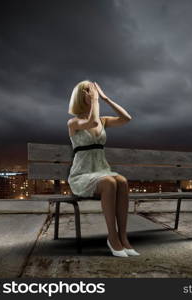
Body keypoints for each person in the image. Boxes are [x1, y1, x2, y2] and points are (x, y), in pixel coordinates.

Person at [67, 79, 139, 257]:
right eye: (88, 91)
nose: (92, 93)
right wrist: (95, 102)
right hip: (82, 175)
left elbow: (126, 118)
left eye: (93, 91)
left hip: (102, 170)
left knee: (121, 181)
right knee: (109, 182)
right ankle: (112, 238)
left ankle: (123, 237)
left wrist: (106, 99)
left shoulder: (103, 120)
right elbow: (91, 122)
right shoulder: (73, 123)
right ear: (80, 96)